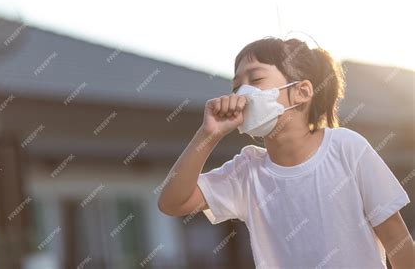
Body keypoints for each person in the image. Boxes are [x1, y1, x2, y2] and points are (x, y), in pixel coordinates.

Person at [157, 37, 414, 268]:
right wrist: (207, 135)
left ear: (301, 92)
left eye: (256, 80)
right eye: (237, 87)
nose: (243, 94)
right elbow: (172, 202)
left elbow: (397, 240)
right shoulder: (247, 170)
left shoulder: (347, 147)